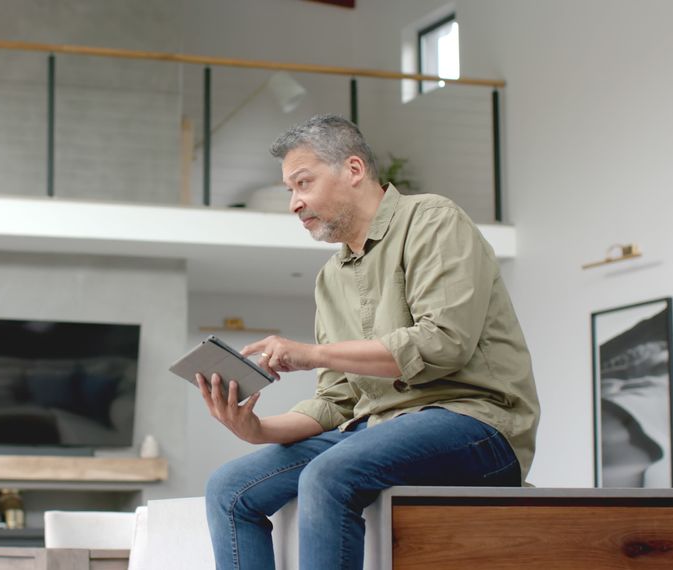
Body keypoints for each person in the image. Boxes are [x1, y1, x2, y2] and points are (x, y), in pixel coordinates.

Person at [196, 114, 540, 569]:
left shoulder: (433, 219)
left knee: (331, 472)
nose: (294, 203)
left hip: (475, 425)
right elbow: (337, 401)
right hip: (373, 430)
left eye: (303, 183)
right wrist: (256, 430)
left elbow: (443, 343)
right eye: (289, 191)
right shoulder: (330, 278)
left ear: (354, 170)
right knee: (229, 489)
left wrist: (311, 353)